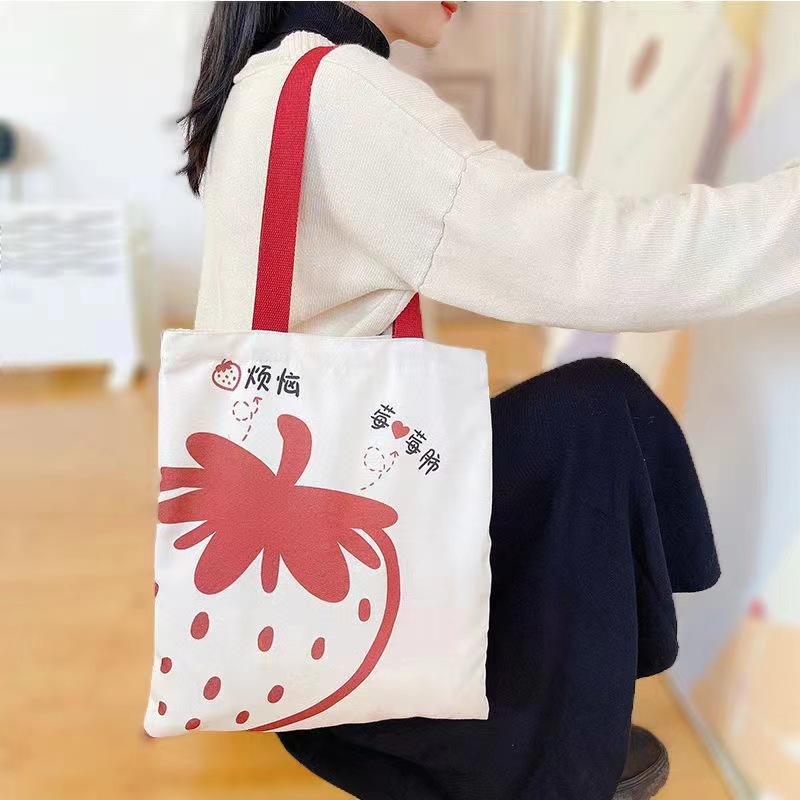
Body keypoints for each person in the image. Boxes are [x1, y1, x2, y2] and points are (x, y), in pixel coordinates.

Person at [180, 3, 799, 798]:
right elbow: (601, 261)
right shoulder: (342, 94)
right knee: (594, 413)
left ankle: (533, 726)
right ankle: (543, 753)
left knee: (572, 413)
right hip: (351, 603)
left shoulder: (263, 82)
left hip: (299, 607)